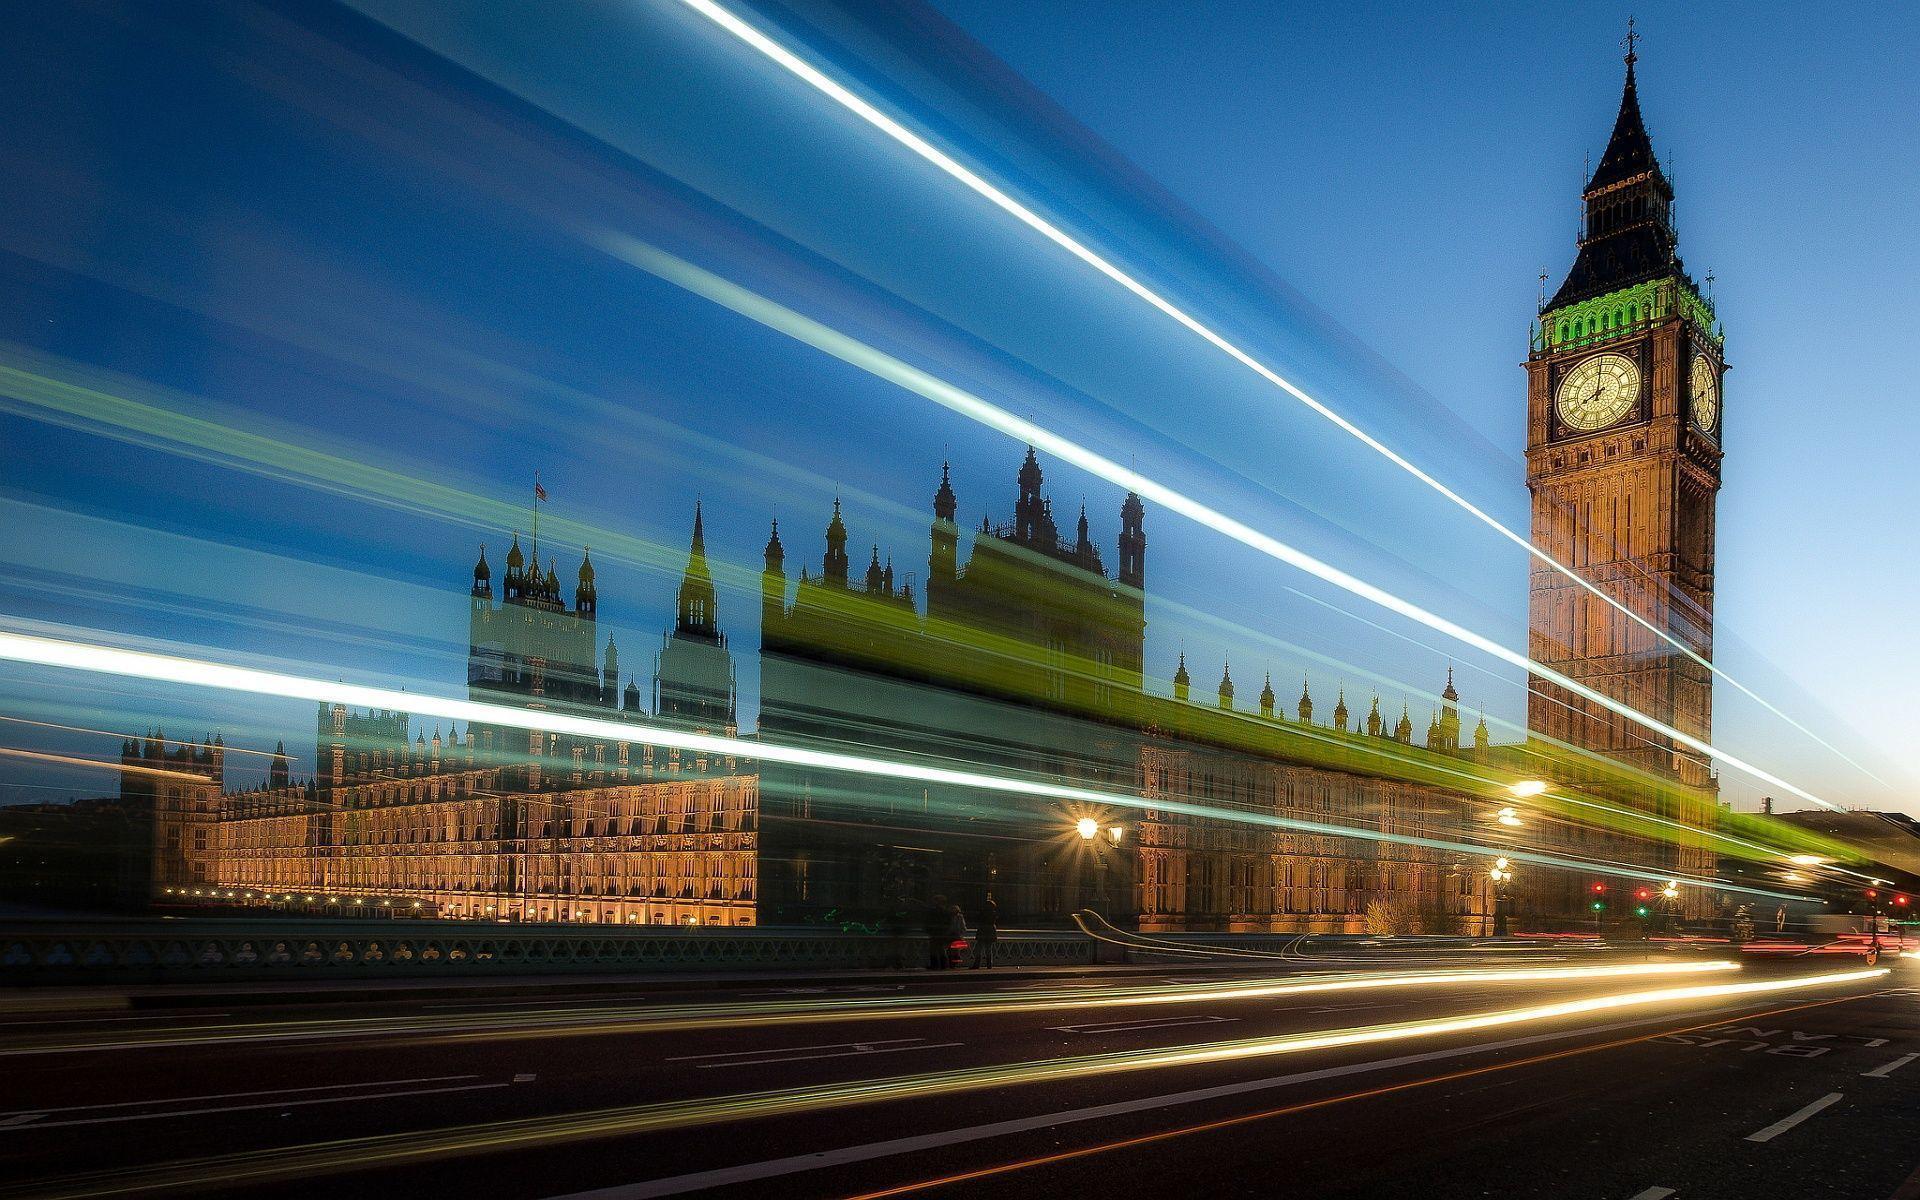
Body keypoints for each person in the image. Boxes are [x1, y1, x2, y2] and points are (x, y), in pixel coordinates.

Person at [970, 893, 999, 969]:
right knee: (988, 949)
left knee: (979, 948)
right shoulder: (993, 913)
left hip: (982, 930)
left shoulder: (982, 912)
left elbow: (978, 919)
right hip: (990, 931)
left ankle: (977, 964)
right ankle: (989, 964)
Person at [925, 894, 950, 970]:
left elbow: (930, 921)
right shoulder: (945, 911)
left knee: (934, 949)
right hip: (941, 933)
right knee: (941, 949)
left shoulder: (934, 911)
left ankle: (935, 965)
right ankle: (943, 965)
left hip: (936, 932)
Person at [946, 900, 970, 969]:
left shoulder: (958, 917)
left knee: (954, 950)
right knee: (953, 950)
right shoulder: (958, 917)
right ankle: (952, 963)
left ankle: (953, 963)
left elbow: (963, 927)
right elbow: (963, 927)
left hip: (955, 935)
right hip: (953, 935)